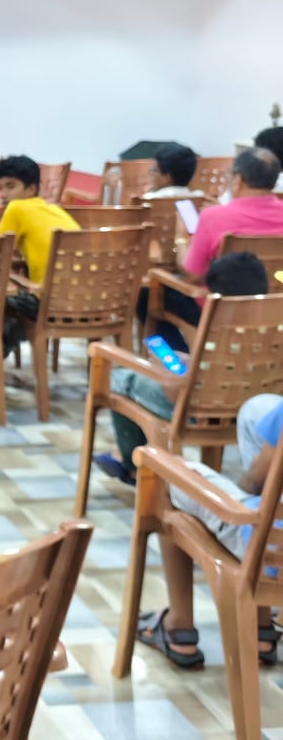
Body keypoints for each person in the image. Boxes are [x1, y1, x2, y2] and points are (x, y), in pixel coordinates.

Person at [139, 377, 283, 671]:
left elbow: (256, 479)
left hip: (266, 539)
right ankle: (261, 626)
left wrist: (237, 501)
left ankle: (179, 629)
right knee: (256, 410)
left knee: (168, 477)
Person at [94, 251, 269, 488]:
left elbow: (176, 393)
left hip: (197, 413)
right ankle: (135, 462)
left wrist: (164, 369)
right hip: (244, 412)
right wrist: (190, 360)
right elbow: (224, 367)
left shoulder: (217, 329)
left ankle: (132, 465)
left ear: (212, 294)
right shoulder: (272, 328)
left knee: (120, 379)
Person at [181, 147, 283, 280]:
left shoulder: (212, 216)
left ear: (238, 180)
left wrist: (180, 238)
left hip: (224, 299)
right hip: (277, 296)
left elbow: (193, 275)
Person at [0, 154, 80, 284]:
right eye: (0, 188)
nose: (2, 195)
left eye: (10, 187)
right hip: (86, 297)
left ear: (31, 189)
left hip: (48, 299)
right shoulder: (55, 209)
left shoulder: (16, 207)